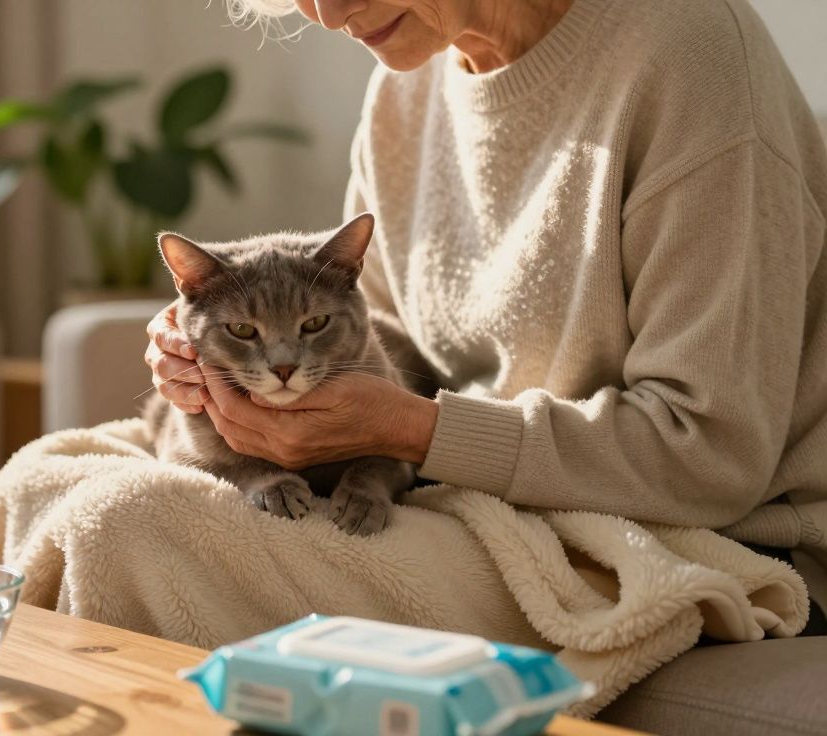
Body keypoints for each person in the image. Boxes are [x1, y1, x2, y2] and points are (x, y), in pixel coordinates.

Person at [146, 0, 827, 625]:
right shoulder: (406, 85)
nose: (327, 12)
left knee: (132, 535)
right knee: (86, 489)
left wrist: (414, 430)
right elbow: (376, 335)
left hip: (700, 535)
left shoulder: (690, 57)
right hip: (468, 493)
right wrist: (195, 357)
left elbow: (709, 455)